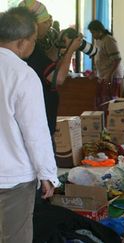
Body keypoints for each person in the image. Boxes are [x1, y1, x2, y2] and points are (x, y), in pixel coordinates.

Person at [0, 7, 60, 242]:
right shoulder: (22, 75)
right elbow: (35, 132)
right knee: (15, 237)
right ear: (22, 42)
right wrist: (47, 173)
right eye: (34, 40)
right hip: (13, 178)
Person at [20, 0, 82, 139]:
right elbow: (58, 78)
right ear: (33, 25)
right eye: (46, 21)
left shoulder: (28, 47)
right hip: (37, 130)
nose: (49, 24)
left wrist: (59, 46)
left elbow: (49, 63)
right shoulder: (30, 50)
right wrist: (71, 50)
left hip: (33, 125)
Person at [88, 20, 124, 110]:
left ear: (99, 31)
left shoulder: (109, 40)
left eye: (93, 32)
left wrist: (110, 75)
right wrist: (95, 71)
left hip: (112, 76)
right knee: (99, 101)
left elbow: (117, 59)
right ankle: (102, 121)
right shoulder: (98, 41)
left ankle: (109, 122)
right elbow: (99, 58)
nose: (92, 35)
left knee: (108, 102)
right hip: (102, 75)